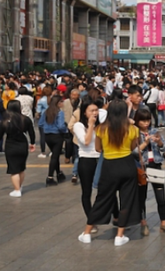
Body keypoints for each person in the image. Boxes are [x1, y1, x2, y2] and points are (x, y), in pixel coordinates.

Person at [78, 100, 141, 246]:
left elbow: (98, 149)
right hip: (127, 165)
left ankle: (87, 233)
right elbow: (132, 148)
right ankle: (120, 236)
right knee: (127, 199)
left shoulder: (100, 129)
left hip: (109, 166)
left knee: (102, 198)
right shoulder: (132, 129)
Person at [134, 108, 165, 235]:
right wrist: (145, 143)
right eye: (142, 121)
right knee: (142, 197)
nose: (146, 123)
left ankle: (163, 223)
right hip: (142, 167)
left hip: (155, 165)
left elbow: (163, 150)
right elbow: (134, 152)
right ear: (137, 121)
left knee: (161, 197)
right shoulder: (134, 133)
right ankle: (143, 223)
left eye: (147, 120)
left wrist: (159, 143)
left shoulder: (154, 131)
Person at [0, 101, 36, 197]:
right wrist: (32, 143)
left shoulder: (5, 121)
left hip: (11, 146)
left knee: (13, 169)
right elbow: (32, 133)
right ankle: (19, 186)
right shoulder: (26, 119)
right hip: (23, 145)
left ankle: (17, 190)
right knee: (21, 168)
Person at [74, 99, 101, 231]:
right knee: (87, 192)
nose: (95, 113)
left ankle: (116, 217)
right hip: (86, 160)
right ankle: (91, 220)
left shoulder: (101, 125)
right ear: (85, 113)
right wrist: (90, 125)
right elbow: (86, 141)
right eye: (92, 111)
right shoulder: (79, 126)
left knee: (106, 189)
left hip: (100, 159)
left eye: (96, 110)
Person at [38, 96, 68, 186]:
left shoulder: (46, 111)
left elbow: (40, 123)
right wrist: (65, 130)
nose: (63, 103)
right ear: (58, 103)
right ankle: (50, 177)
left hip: (48, 136)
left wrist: (47, 128)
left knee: (55, 155)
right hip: (57, 136)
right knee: (54, 156)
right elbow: (61, 126)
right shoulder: (60, 112)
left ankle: (59, 173)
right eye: (62, 101)